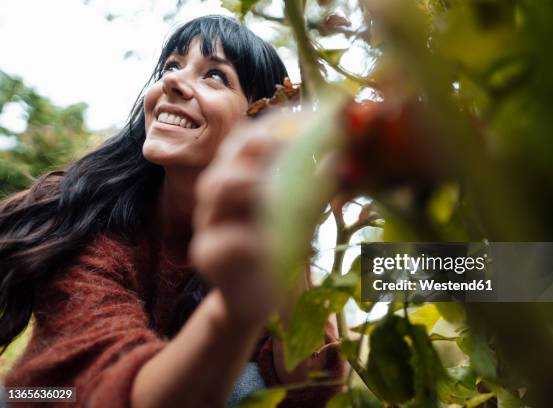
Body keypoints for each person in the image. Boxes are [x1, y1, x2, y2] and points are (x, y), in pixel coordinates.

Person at [0, 15, 346, 407]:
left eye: (215, 76)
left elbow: (310, 381)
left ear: (262, 130)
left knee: (253, 386)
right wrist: (234, 310)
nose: (172, 82)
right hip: (46, 399)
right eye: (171, 66)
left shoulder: (261, 240)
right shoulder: (90, 221)